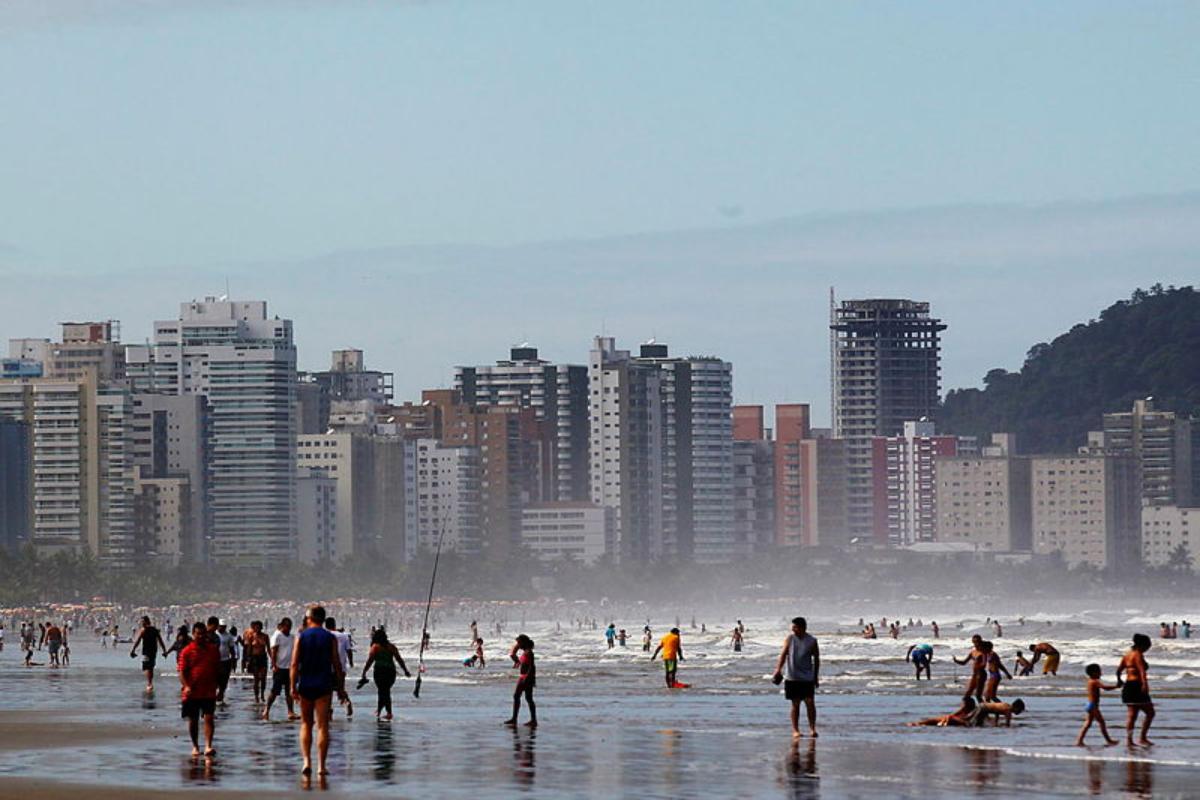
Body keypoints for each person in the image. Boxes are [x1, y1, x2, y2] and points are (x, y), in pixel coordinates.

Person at [291, 606, 348, 776]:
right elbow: (336, 663)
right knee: (323, 725)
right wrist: (341, 688)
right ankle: (321, 766)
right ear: (323, 619)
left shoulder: (301, 636)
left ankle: (306, 762)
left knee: (306, 724)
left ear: (309, 618)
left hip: (306, 683)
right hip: (324, 684)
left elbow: (294, 664)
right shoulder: (330, 637)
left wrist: (292, 686)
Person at [772, 617, 820, 739]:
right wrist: (778, 669)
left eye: (795, 627)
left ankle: (812, 728)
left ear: (802, 627)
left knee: (810, 703)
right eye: (792, 627)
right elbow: (783, 655)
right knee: (795, 704)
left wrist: (816, 677)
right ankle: (795, 730)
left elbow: (816, 659)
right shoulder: (790, 639)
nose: (792, 629)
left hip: (807, 677)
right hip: (792, 677)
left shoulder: (812, 641)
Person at [179, 621, 220, 758]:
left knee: (209, 718)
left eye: (203, 634)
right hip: (192, 692)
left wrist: (220, 687)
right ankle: (195, 746)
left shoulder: (213, 650)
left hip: (209, 691)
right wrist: (186, 686)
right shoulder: (187, 651)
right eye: (198, 634)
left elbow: (217, 668)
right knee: (193, 720)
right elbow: (181, 672)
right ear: (193, 634)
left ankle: (208, 745)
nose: (200, 636)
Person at [360, 627, 411, 721]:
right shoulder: (391, 647)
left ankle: (388, 713)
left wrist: (364, 672)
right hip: (390, 672)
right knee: (385, 691)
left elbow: (370, 661)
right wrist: (405, 670)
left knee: (382, 691)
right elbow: (399, 659)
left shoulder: (375, 647)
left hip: (379, 672)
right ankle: (380, 710)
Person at [1116, 633, 1155, 746]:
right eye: (1147, 646)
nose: (1148, 648)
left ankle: (1129, 740)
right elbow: (1142, 671)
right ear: (1142, 645)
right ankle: (1142, 738)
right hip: (1137, 685)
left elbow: (1118, 670)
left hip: (1128, 686)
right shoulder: (1138, 655)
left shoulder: (1127, 655)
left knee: (1131, 715)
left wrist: (1119, 680)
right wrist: (1145, 684)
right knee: (1150, 713)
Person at [1076, 663, 1120, 746]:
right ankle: (1109, 740)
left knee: (1088, 723)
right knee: (1101, 723)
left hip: (1089, 704)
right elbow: (1105, 688)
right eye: (1099, 672)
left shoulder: (1090, 681)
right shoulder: (1095, 682)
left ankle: (1079, 740)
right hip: (1093, 706)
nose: (1101, 673)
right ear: (1094, 673)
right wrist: (1116, 687)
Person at [263, 617, 297, 721]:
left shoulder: (292, 637)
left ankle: (290, 712)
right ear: (282, 626)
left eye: (290, 627)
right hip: (280, 668)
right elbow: (273, 651)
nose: (289, 629)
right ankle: (266, 710)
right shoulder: (277, 636)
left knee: (289, 691)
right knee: (274, 691)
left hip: (289, 668)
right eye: (287, 626)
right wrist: (274, 665)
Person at [504, 634, 537, 728]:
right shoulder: (525, 651)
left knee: (517, 696)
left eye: (519, 643)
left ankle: (515, 719)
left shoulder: (529, 652)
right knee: (528, 698)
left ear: (524, 642)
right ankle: (532, 720)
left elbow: (532, 666)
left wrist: (528, 678)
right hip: (525, 677)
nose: (518, 645)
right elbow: (516, 658)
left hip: (525, 677)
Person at [130, 616, 168, 694]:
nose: (141, 623)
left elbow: (138, 641)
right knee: (150, 667)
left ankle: (149, 683)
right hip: (152, 651)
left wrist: (133, 650)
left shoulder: (144, 630)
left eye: (142, 621)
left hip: (147, 651)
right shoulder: (153, 630)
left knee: (147, 667)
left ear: (146, 622)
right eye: (141, 622)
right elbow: (160, 641)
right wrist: (164, 650)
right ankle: (150, 683)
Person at [325, 617, 354, 718]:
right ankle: (346, 701)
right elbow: (349, 650)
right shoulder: (344, 636)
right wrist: (351, 662)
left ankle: (329, 710)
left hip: (327, 667)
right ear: (334, 624)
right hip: (341, 667)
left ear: (326, 625)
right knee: (340, 688)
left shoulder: (325, 636)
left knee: (328, 690)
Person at [907, 697, 977, 727]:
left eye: (962, 704)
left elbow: (966, 720)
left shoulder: (971, 712)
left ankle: (918, 723)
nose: (961, 705)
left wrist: (961, 710)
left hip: (960, 722)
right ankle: (919, 723)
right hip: (953, 721)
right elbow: (953, 715)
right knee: (937, 719)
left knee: (946, 718)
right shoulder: (965, 711)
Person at [954, 635, 986, 700]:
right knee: (967, 693)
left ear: (980, 641)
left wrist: (979, 666)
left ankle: (984, 706)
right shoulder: (972, 652)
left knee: (978, 695)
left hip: (981, 674)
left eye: (977, 642)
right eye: (974, 642)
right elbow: (964, 662)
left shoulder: (983, 652)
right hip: (974, 674)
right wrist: (956, 661)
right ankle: (968, 705)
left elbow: (984, 664)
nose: (976, 644)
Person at [246, 621, 271, 704]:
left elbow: (268, 649)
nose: (257, 629)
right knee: (256, 679)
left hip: (263, 658)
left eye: (259, 627)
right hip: (255, 659)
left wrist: (273, 660)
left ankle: (262, 694)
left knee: (263, 678)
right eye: (256, 627)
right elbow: (249, 649)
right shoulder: (251, 636)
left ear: (261, 628)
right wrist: (248, 660)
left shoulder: (265, 636)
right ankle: (256, 696)